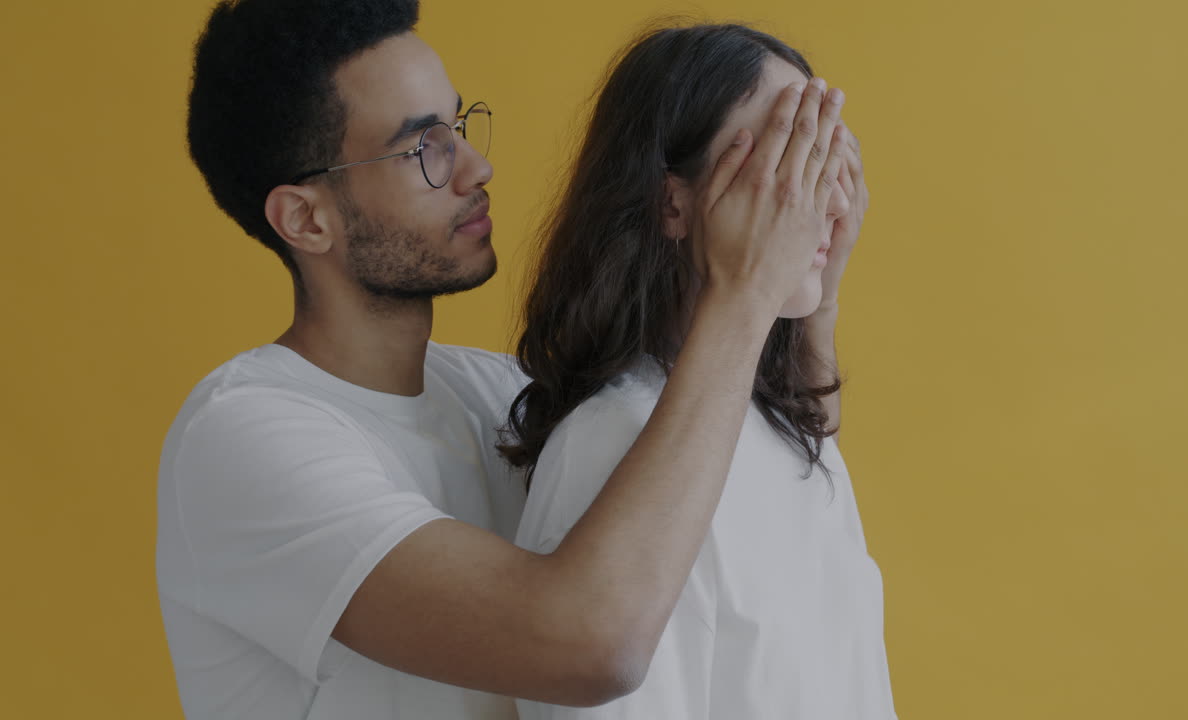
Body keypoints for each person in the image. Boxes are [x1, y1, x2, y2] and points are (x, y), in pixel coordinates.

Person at [157, 1, 851, 718]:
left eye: (458, 126)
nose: (476, 167)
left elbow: (777, 487)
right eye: (423, 148)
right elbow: (590, 644)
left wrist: (813, 295)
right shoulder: (244, 439)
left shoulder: (497, 394)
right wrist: (746, 291)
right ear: (306, 219)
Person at [502, 24, 893, 719]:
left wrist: (816, 294)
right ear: (672, 203)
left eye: (827, 164)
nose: (830, 205)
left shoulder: (780, 426)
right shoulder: (613, 446)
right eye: (786, 165)